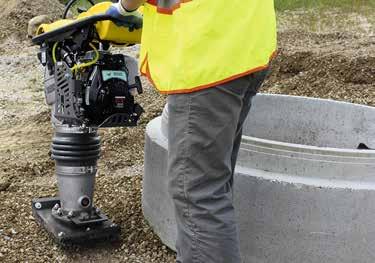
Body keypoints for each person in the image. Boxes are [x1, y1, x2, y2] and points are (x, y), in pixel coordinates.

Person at [108, 1, 277, 262]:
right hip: (245, 40)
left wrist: (122, 8)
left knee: (197, 191)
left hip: (207, 54)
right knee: (213, 183)